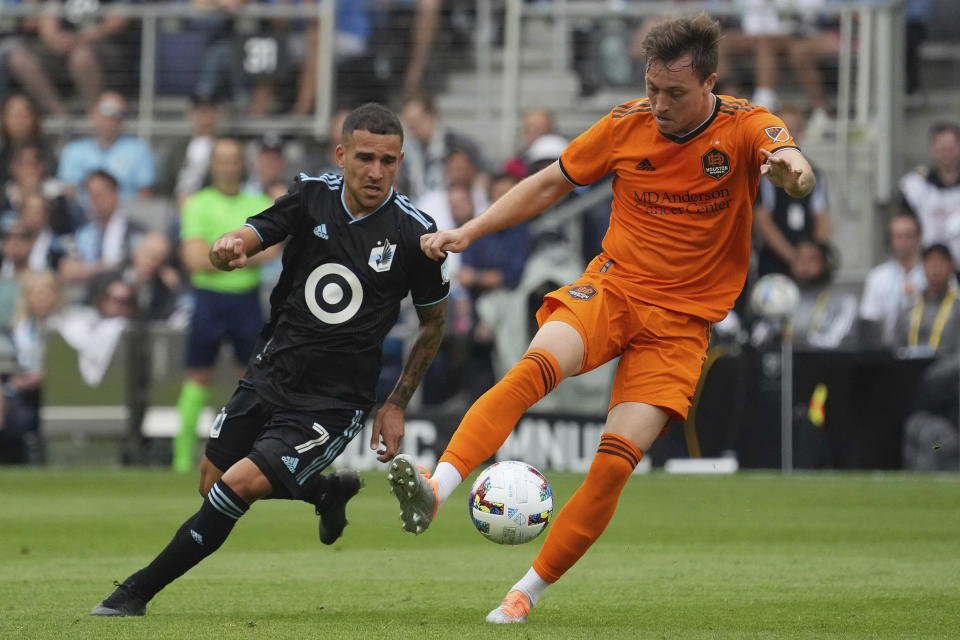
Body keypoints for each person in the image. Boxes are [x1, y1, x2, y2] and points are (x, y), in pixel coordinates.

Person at [385, 14, 815, 624]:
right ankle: (437, 488)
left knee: (613, 465)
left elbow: (792, 158)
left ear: (710, 83)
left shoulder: (746, 126)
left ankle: (523, 594)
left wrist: (793, 175)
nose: (658, 105)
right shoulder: (625, 125)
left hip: (681, 326)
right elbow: (546, 185)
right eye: (652, 89)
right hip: (612, 290)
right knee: (533, 367)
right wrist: (471, 230)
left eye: (674, 94)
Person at [90, 102, 449, 617]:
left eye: (389, 160)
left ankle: (133, 594)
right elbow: (254, 233)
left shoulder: (417, 232)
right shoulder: (311, 195)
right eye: (366, 157)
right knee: (211, 482)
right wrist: (230, 245)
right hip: (271, 371)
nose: (376, 171)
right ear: (342, 153)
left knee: (236, 487)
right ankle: (323, 493)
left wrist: (395, 404)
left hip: (333, 400)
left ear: (400, 160)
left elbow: (434, 324)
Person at [172, 137, 273, 472]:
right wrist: (244, 254)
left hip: (246, 299)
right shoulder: (198, 204)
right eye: (222, 160)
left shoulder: (258, 200)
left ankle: (249, 456)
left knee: (251, 380)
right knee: (199, 375)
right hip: (209, 300)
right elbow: (192, 258)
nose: (228, 166)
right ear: (213, 164)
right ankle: (182, 457)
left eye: (233, 159)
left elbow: (273, 250)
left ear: (241, 163)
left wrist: (218, 257)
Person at [753, 105, 830, 277]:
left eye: (793, 129)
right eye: (781, 129)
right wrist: (792, 257)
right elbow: (762, 221)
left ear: (801, 131)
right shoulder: (762, 172)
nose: (788, 135)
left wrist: (811, 255)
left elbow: (822, 219)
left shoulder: (814, 172)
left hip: (809, 264)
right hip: (773, 262)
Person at [56, 92, 157, 205]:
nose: (111, 119)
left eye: (118, 114)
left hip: (125, 218)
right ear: (93, 114)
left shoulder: (139, 150)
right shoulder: (73, 150)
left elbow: (145, 195)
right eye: (106, 112)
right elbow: (68, 194)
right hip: (82, 219)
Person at [859, 213, 926, 347]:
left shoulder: (932, 273)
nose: (903, 241)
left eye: (909, 235)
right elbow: (870, 318)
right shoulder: (877, 277)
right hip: (886, 350)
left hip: (925, 347)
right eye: (898, 236)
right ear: (890, 239)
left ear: (918, 238)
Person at [900, 122, 960, 262]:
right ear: (932, 149)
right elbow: (905, 226)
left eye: (950, 148)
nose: (946, 153)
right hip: (930, 266)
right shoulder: (916, 186)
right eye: (941, 148)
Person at [893, 243, 960, 356]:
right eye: (930, 262)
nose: (935, 268)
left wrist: (931, 373)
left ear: (951, 267)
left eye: (941, 262)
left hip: (947, 371)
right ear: (923, 267)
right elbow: (895, 351)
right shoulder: (908, 310)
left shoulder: (957, 310)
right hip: (909, 369)